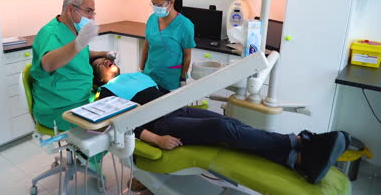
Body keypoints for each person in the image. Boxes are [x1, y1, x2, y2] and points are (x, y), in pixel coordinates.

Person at [91, 57, 350, 185]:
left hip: (179, 109)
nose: (108, 61)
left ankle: (297, 159)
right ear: (99, 77)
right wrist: (155, 139)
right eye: (102, 63)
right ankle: (299, 143)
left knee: (234, 125)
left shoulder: (139, 75)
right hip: (161, 124)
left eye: (108, 58)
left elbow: (167, 94)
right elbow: (122, 124)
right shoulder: (108, 92)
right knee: (223, 128)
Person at [30, 0, 119, 131]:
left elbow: (78, 53)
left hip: (83, 98)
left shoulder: (73, 30)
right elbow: (47, 64)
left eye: (93, 13)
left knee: (122, 113)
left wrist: (104, 53)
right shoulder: (51, 33)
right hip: (59, 107)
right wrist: (79, 43)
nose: (92, 18)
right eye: (88, 11)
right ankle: (87, 153)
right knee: (110, 128)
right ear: (71, 9)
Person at [140, 0, 195, 92]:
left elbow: (187, 56)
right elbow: (146, 45)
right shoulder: (152, 19)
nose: (155, 8)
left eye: (159, 5)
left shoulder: (185, 25)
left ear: (171, 2)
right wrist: (141, 69)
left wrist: (183, 78)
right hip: (149, 77)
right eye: (153, 4)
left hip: (170, 80)